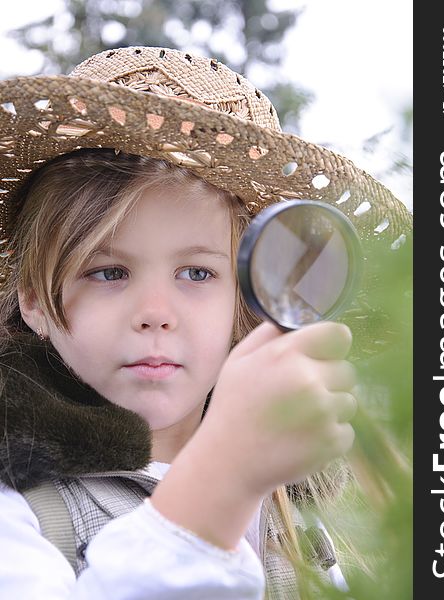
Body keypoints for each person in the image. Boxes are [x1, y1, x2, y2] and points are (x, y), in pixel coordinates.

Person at [0, 47, 412, 599]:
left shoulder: (291, 514)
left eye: (196, 272)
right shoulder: (21, 507)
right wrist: (222, 477)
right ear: (33, 299)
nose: (155, 314)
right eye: (108, 272)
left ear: (249, 297)